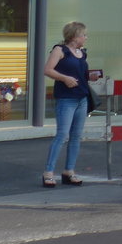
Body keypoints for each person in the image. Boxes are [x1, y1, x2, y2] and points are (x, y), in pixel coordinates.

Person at [42, 21, 91, 188]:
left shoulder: (82, 53)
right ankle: (48, 172)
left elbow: (81, 73)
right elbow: (47, 69)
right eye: (84, 35)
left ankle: (69, 171)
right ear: (75, 36)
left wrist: (91, 76)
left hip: (81, 98)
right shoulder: (60, 50)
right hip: (66, 98)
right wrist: (64, 78)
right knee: (62, 135)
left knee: (76, 136)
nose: (86, 37)